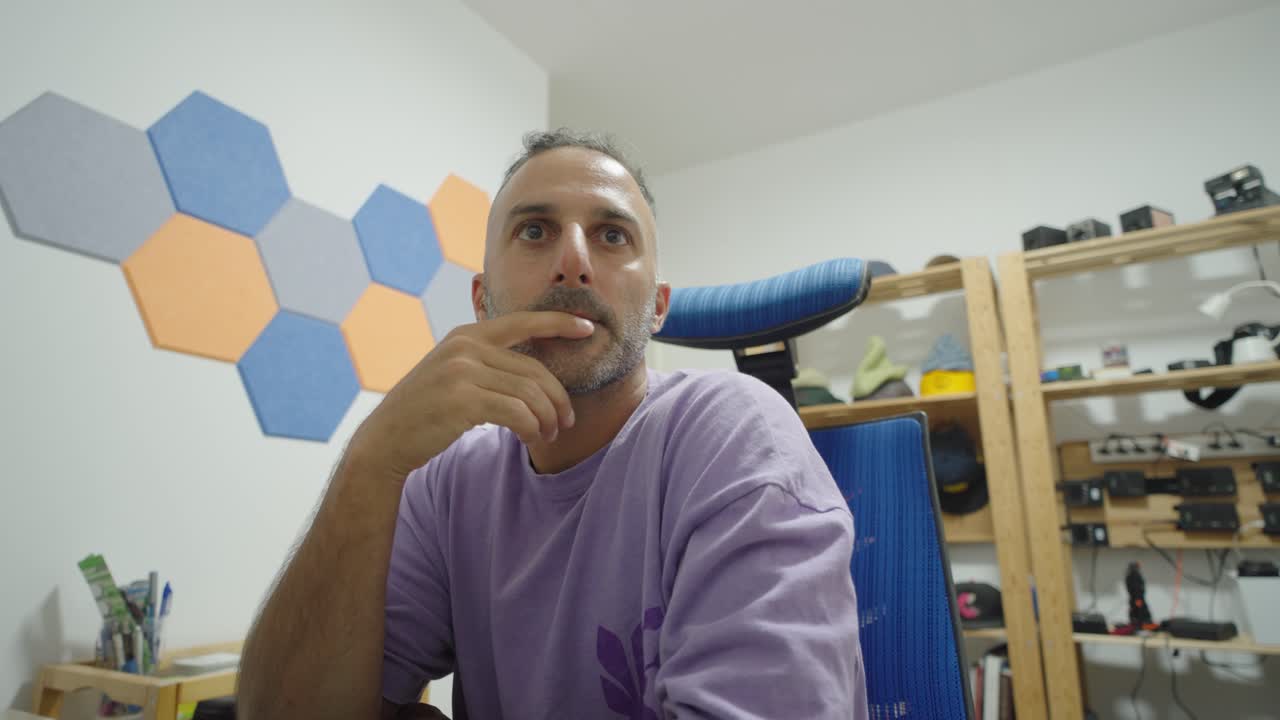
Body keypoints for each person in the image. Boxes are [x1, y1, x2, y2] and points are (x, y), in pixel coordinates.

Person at [238, 130, 868, 720]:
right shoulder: (446, 483)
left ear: (658, 308)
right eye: (535, 230)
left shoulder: (733, 430)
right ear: (482, 300)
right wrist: (369, 464)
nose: (573, 263)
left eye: (612, 235)